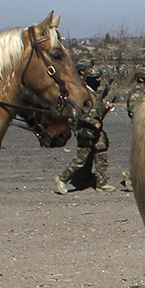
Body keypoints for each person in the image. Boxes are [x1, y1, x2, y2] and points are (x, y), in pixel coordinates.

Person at [56, 62, 115, 193]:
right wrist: (92, 122)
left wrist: (106, 108)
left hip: (97, 130)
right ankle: (62, 179)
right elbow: (79, 113)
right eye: (96, 78)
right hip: (86, 130)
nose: (99, 80)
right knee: (81, 158)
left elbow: (97, 111)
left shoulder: (95, 94)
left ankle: (101, 182)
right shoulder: (83, 93)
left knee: (101, 154)